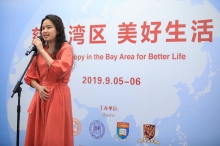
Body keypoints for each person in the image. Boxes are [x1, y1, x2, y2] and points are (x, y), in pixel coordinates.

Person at [24, 14, 74, 146]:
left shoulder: (65, 48)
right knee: (38, 134)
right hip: (41, 96)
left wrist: (41, 50)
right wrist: (39, 87)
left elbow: (59, 70)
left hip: (58, 96)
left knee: (54, 135)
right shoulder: (39, 51)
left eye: (49, 27)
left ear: (58, 29)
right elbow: (29, 76)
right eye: (43, 28)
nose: (44, 31)